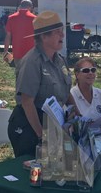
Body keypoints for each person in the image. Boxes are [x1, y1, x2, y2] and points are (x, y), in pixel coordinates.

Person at [7, 11, 75, 157]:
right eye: (57, 32)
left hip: (52, 122)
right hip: (30, 125)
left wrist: (77, 114)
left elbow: (65, 90)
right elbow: (27, 102)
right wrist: (41, 135)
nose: (62, 36)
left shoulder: (60, 60)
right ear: (44, 37)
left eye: (62, 31)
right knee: (34, 173)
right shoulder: (32, 62)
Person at [70, 57, 101, 135]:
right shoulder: (71, 96)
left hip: (100, 138)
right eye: (86, 70)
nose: (90, 73)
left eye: (93, 70)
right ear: (77, 74)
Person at [3, 0, 36, 74]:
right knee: (31, 75)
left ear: (20, 6)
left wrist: (5, 51)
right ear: (30, 7)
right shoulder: (34, 18)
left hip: (17, 52)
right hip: (31, 53)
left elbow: (8, 36)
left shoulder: (11, 18)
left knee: (19, 74)